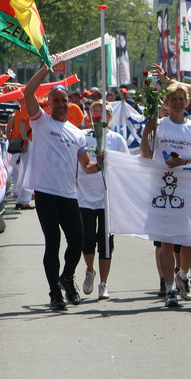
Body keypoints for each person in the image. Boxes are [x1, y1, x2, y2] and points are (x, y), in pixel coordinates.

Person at [22, 65, 103, 311]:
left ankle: (66, 278)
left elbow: (87, 166)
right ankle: (54, 292)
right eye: (55, 101)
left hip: (69, 195)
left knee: (78, 242)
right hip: (46, 193)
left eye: (64, 100)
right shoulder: (40, 121)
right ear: (48, 103)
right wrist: (46, 69)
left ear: (69, 103)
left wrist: (102, 164)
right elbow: (28, 92)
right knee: (53, 243)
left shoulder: (77, 133)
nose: (60, 104)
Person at [140, 83, 191, 307]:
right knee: (167, 241)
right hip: (163, 189)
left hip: (190, 189)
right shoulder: (158, 126)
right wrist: (146, 133)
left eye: (181, 98)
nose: (178, 102)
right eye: (173, 99)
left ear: (187, 102)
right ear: (166, 103)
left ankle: (182, 275)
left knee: (190, 239)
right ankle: (170, 289)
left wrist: (184, 162)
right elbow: (145, 156)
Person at [79, 101, 128, 300]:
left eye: (102, 111)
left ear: (110, 116)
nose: (98, 114)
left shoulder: (116, 139)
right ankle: (90, 270)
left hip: (108, 198)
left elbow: (125, 166)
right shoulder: (82, 137)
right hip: (85, 197)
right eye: (94, 111)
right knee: (87, 241)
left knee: (106, 243)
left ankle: (103, 284)